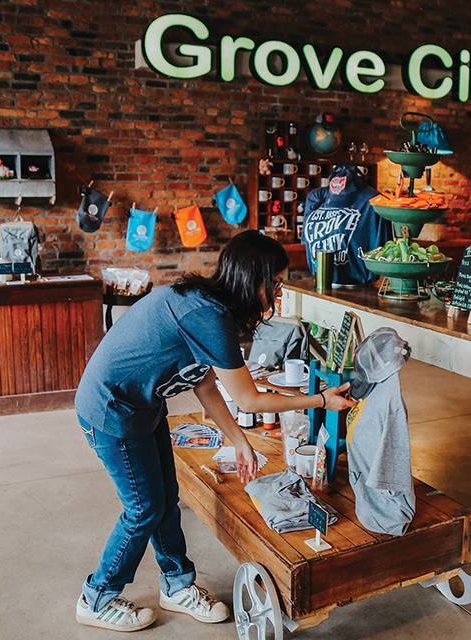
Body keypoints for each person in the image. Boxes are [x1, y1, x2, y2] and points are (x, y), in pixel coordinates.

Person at [74, 230, 356, 632]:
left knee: (166, 499)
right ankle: (96, 597)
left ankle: (176, 585)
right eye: (274, 283)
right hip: (111, 411)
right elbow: (250, 401)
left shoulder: (206, 305)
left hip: (142, 405)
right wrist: (322, 401)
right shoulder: (207, 315)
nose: (277, 294)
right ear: (251, 278)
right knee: (145, 508)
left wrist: (239, 440)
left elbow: (203, 381)